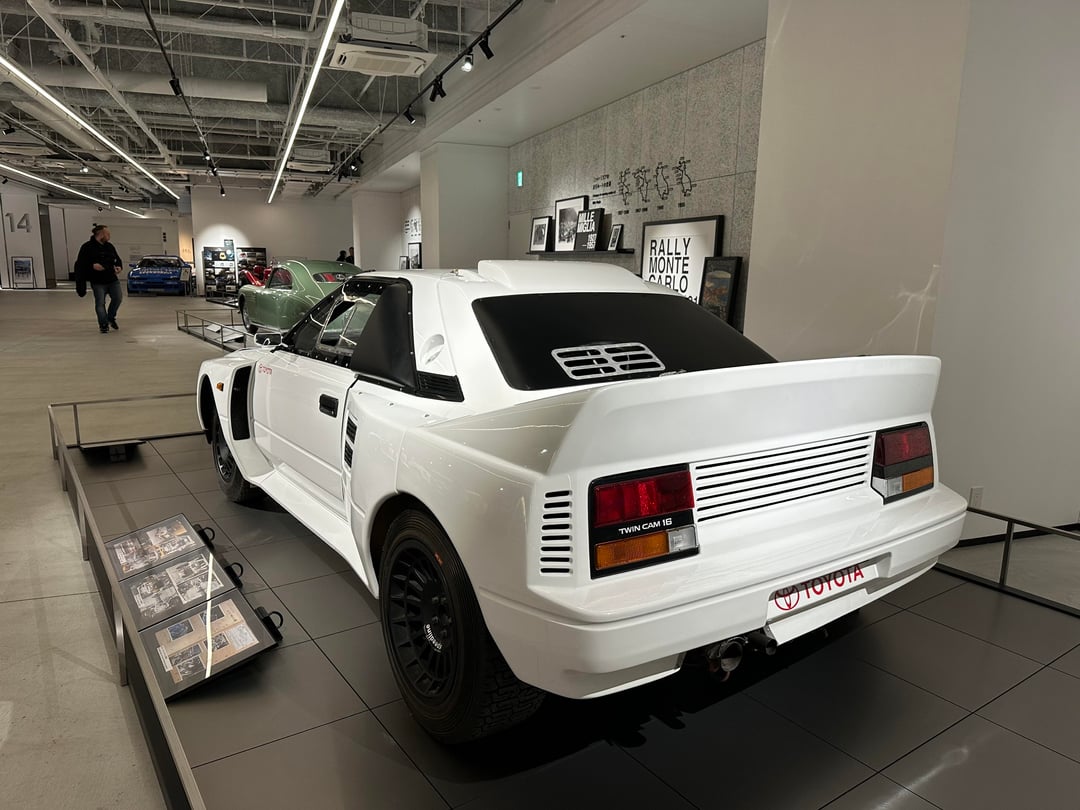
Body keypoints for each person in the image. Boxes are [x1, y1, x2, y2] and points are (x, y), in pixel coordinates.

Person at [74, 224, 124, 333]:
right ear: (100, 234)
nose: (109, 236)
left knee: (118, 298)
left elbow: (117, 259)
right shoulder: (87, 247)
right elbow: (80, 264)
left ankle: (110, 317)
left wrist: (119, 266)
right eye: (107, 234)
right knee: (100, 303)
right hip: (97, 281)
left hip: (112, 279)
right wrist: (92, 266)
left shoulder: (109, 246)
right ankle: (103, 324)